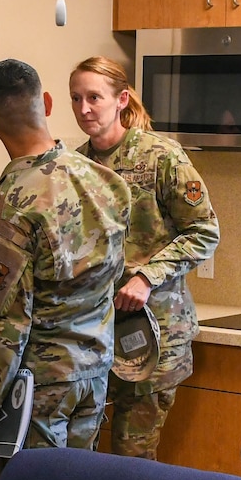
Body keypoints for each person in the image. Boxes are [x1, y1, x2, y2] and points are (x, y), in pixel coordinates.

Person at [0, 59, 130, 480]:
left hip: (39, 391)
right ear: (48, 103)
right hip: (93, 374)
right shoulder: (105, 181)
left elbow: (2, 327)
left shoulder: (12, 203)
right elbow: (109, 276)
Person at [69, 56, 220, 459]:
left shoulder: (160, 157)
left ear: (121, 99)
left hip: (153, 336)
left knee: (131, 458)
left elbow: (205, 231)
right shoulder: (76, 167)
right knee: (77, 457)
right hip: (91, 336)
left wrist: (147, 276)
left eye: (94, 98)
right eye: (76, 99)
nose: (85, 109)